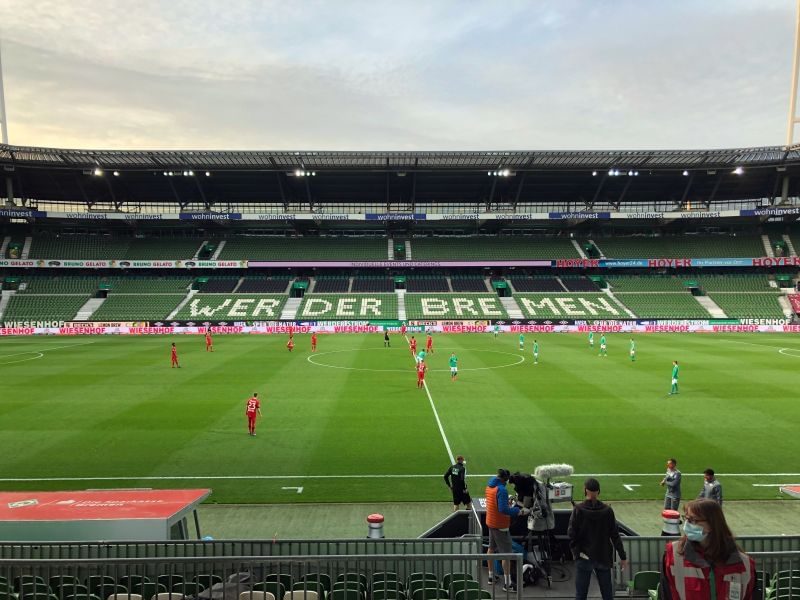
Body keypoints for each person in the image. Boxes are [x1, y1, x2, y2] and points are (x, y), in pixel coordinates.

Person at [660, 499, 754, 600]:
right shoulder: (672, 555)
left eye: (693, 520)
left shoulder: (745, 564)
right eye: (686, 518)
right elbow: (666, 594)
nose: (687, 524)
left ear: (712, 524)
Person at [567, 477, 627, 600]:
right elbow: (615, 535)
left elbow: (571, 534)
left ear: (585, 490)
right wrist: (623, 557)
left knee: (580, 595)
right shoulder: (607, 511)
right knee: (607, 594)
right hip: (603, 556)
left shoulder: (578, 510)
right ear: (598, 491)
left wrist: (576, 553)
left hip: (584, 556)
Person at [485, 469, 523, 592]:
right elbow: (503, 510)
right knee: (506, 554)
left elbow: (497, 505)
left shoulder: (490, 486)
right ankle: (508, 584)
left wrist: (507, 502)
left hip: (490, 522)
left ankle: (491, 577)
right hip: (500, 525)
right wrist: (518, 511)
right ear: (504, 479)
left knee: (491, 548)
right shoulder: (501, 489)